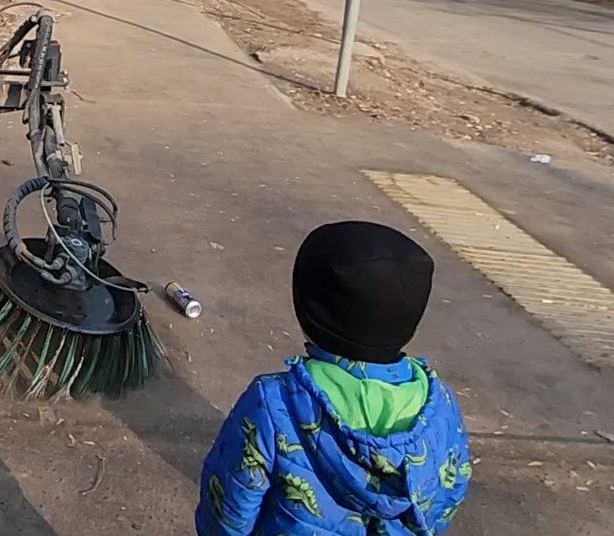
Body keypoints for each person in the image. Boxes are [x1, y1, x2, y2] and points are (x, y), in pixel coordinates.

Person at [196, 221, 470, 535]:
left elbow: (228, 511)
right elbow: (448, 495)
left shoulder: (272, 403)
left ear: (310, 313)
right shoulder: (441, 407)